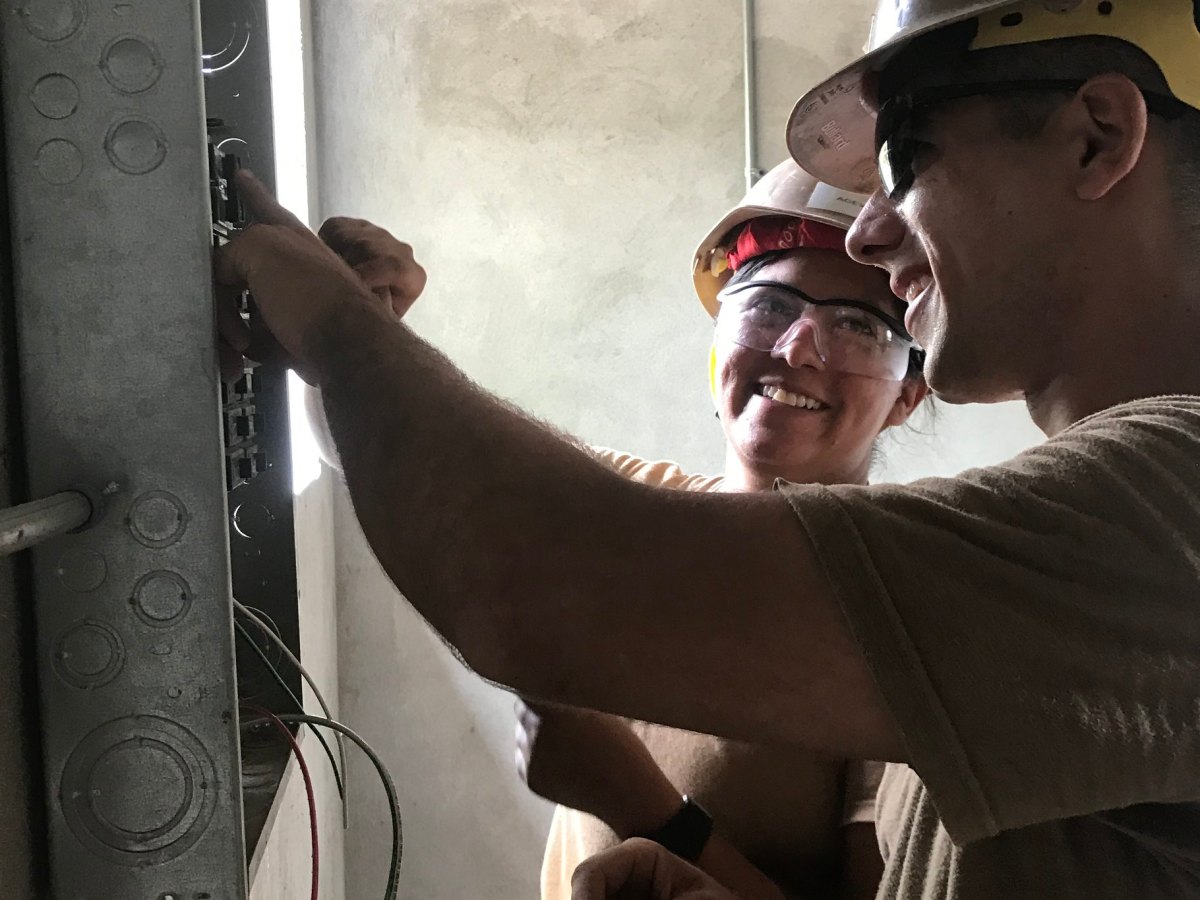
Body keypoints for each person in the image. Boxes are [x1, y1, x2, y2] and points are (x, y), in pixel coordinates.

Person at [214, 0, 1200, 895]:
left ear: (1095, 138)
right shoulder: (1089, 526)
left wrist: (338, 325)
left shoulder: (1166, 514)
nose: (866, 235)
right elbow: (488, 500)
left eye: (906, 154)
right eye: (769, 301)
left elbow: (519, 577)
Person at [518, 161, 925, 900]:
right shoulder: (631, 511)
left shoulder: (897, 617)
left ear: (908, 396)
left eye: (859, 327)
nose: (798, 348)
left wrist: (640, 804)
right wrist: (358, 319)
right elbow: (404, 461)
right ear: (718, 342)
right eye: (769, 305)